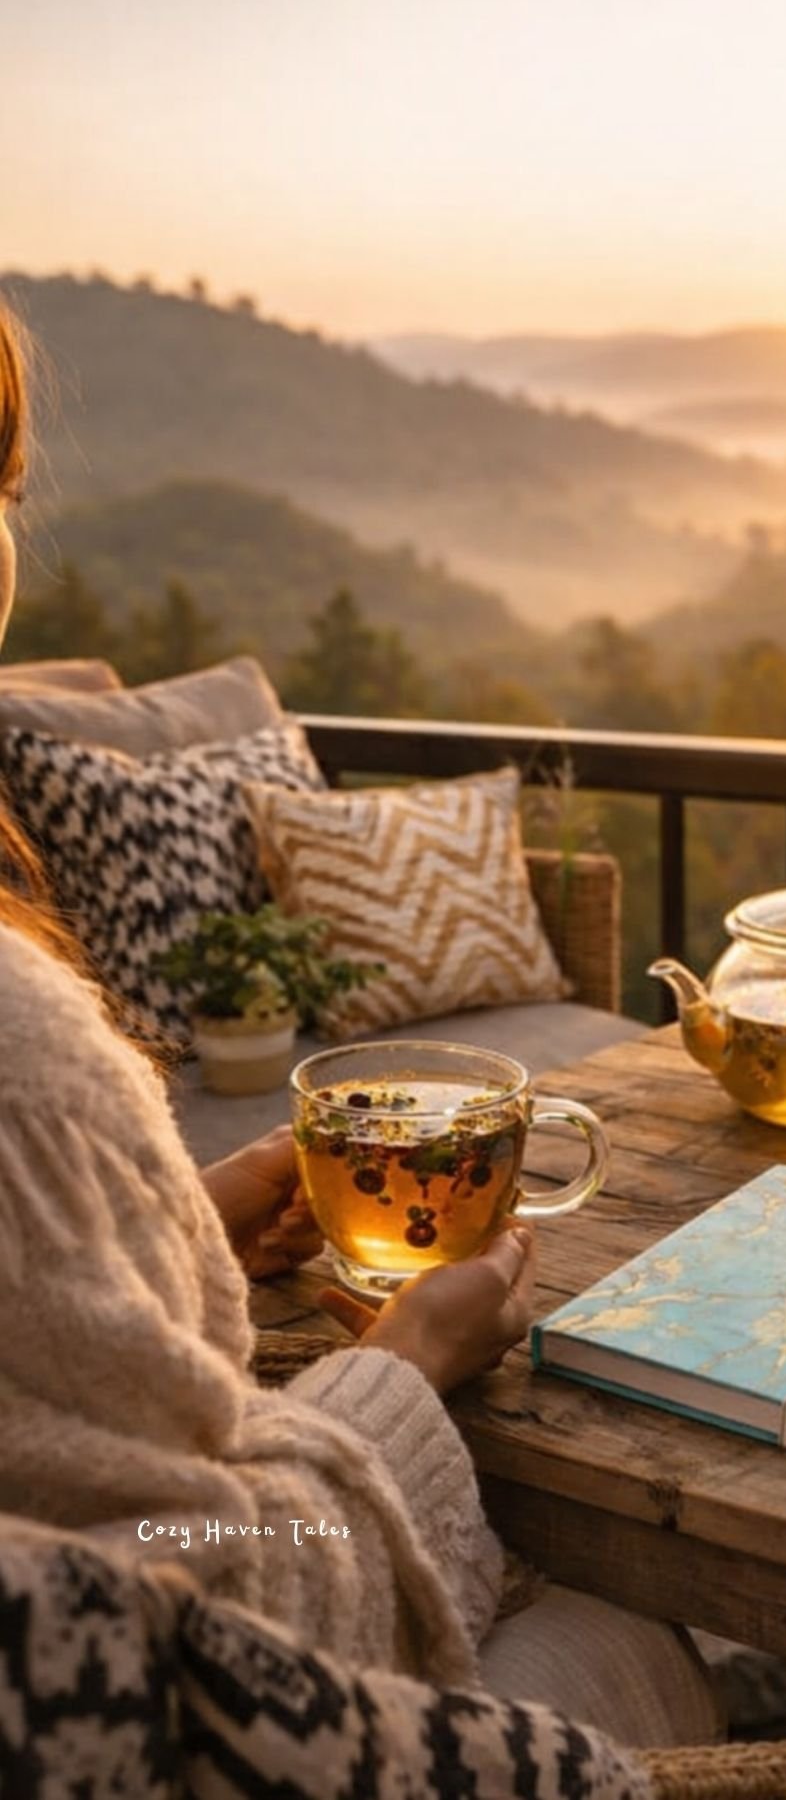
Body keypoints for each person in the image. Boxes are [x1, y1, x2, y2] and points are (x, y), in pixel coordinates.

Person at [0, 302, 717, 1754]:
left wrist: (174, 1222)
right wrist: (408, 1362)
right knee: (640, 1632)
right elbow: (202, 1612)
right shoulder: (30, 1079)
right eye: (4, 490)